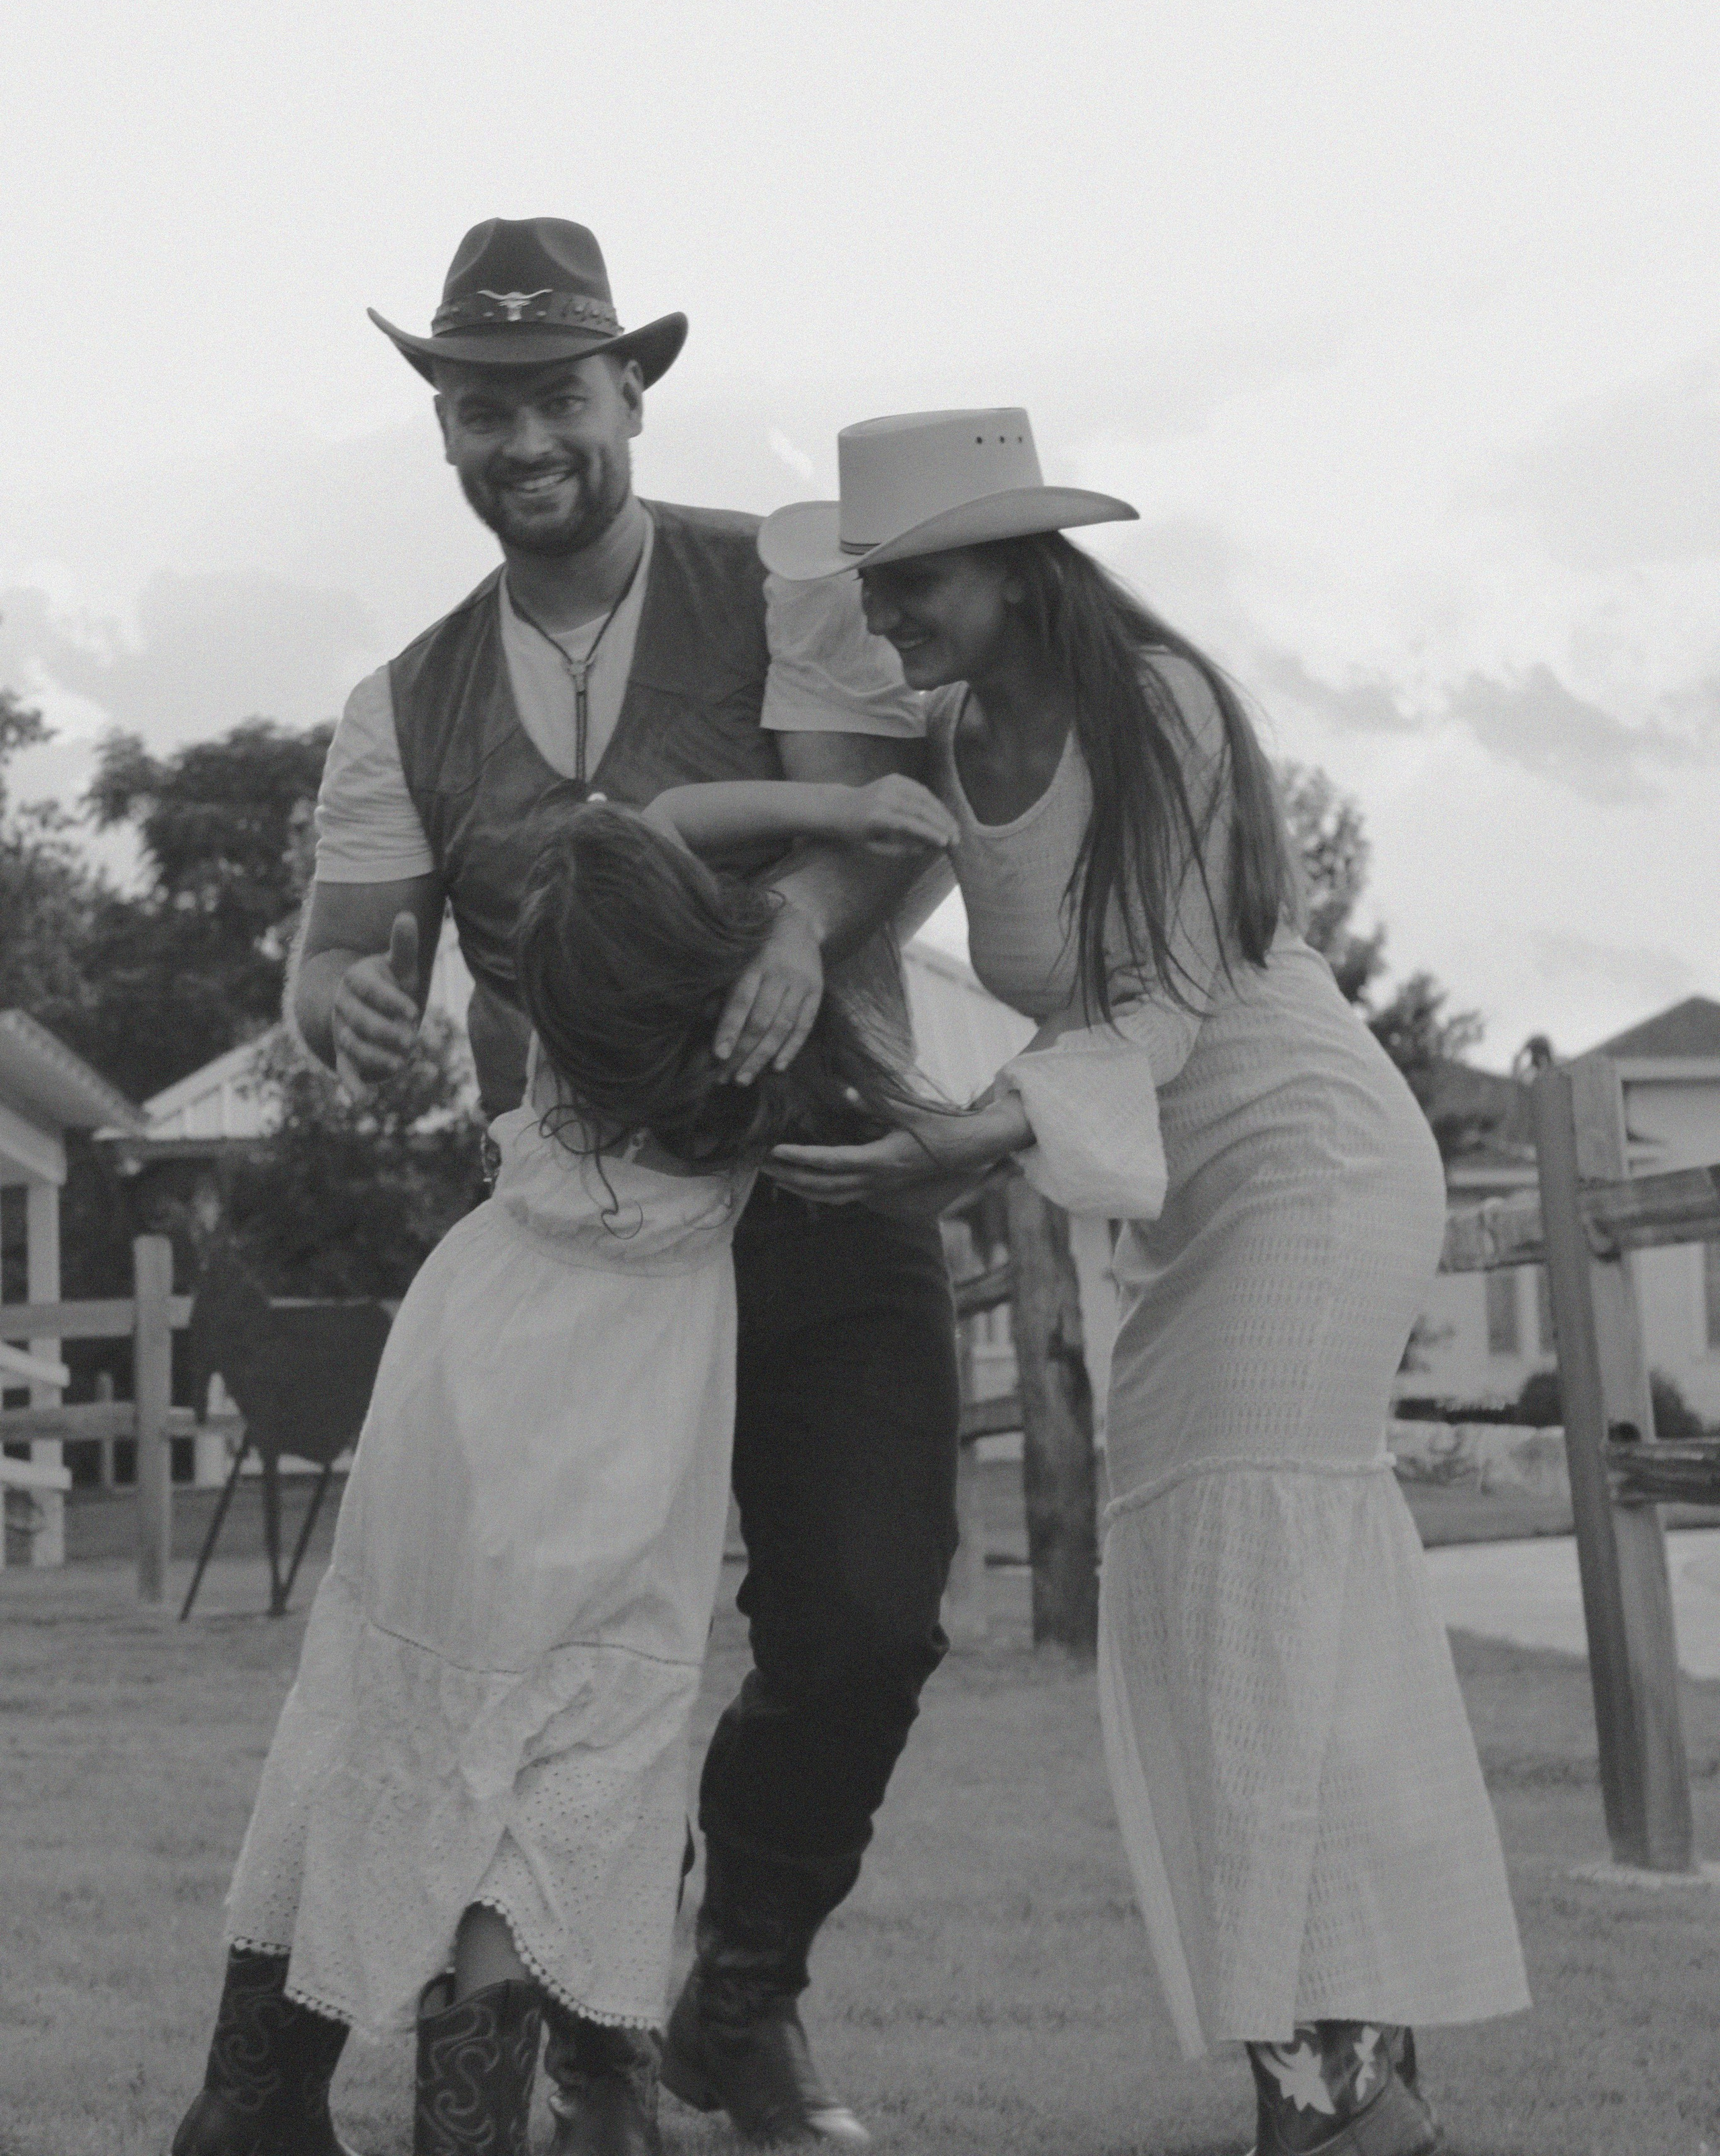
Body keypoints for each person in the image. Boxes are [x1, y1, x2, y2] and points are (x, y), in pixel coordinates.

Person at [761, 411, 1530, 2156]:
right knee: (1195, 1629)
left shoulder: (1160, 708)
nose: (888, 617)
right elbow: (810, 708)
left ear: (1022, 564)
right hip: (1167, 1201)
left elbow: (1165, 1007)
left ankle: (1336, 2097)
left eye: (917, 582)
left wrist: (967, 1140)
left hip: (1300, 1156)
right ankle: (1342, 2091)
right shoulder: (943, 749)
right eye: (873, 585)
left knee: (1269, 1600)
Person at [284, 220, 960, 2153]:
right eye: (478, 406)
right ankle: (573, 2036)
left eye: (555, 395)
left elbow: (878, 830)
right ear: (444, 424)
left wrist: (803, 933)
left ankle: (736, 2003)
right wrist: (343, 1018)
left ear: (629, 393)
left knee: (859, 1626)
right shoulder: (399, 703)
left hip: (826, 1178)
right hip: (581, 1255)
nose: (521, 440)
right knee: (556, 1678)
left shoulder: (793, 582)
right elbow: (339, 959)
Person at [169, 780, 959, 2156]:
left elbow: (653, 819)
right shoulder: (738, 1103)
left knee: (375, 1718)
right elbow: (659, 850)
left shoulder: (556, 1062)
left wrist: (809, 805)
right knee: (553, 1787)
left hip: (457, 1407)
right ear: (710, 979)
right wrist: (833, 841)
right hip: (608, 1480)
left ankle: (246, 2108)